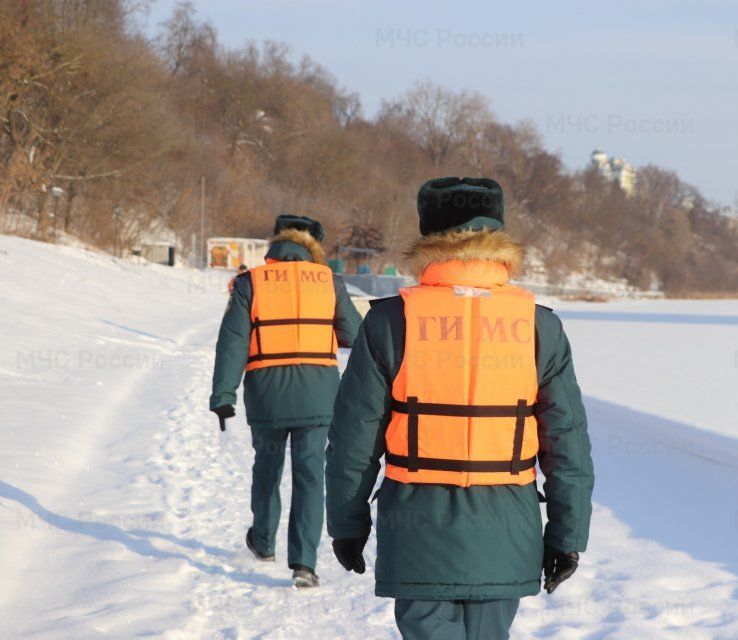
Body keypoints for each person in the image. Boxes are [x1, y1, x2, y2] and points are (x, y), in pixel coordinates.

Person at [325, 178, 594, 638]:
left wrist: (347, 525)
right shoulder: (538, 325)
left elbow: (354, 440)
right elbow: (567, 443)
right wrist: (567, 538)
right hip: (506, 530)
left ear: (428, 237)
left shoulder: (389, 322)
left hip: (417, 532)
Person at [210, 213, 362, 589]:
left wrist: (223, 395)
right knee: (311, 476)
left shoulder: (250, 282)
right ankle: (304, 565)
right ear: (313, 248)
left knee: (267, 468)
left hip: (266, 397)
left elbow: (233, 341)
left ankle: (262, 542)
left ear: (276, 246)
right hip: (319, 397)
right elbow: (356, 335)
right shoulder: (331, 282)